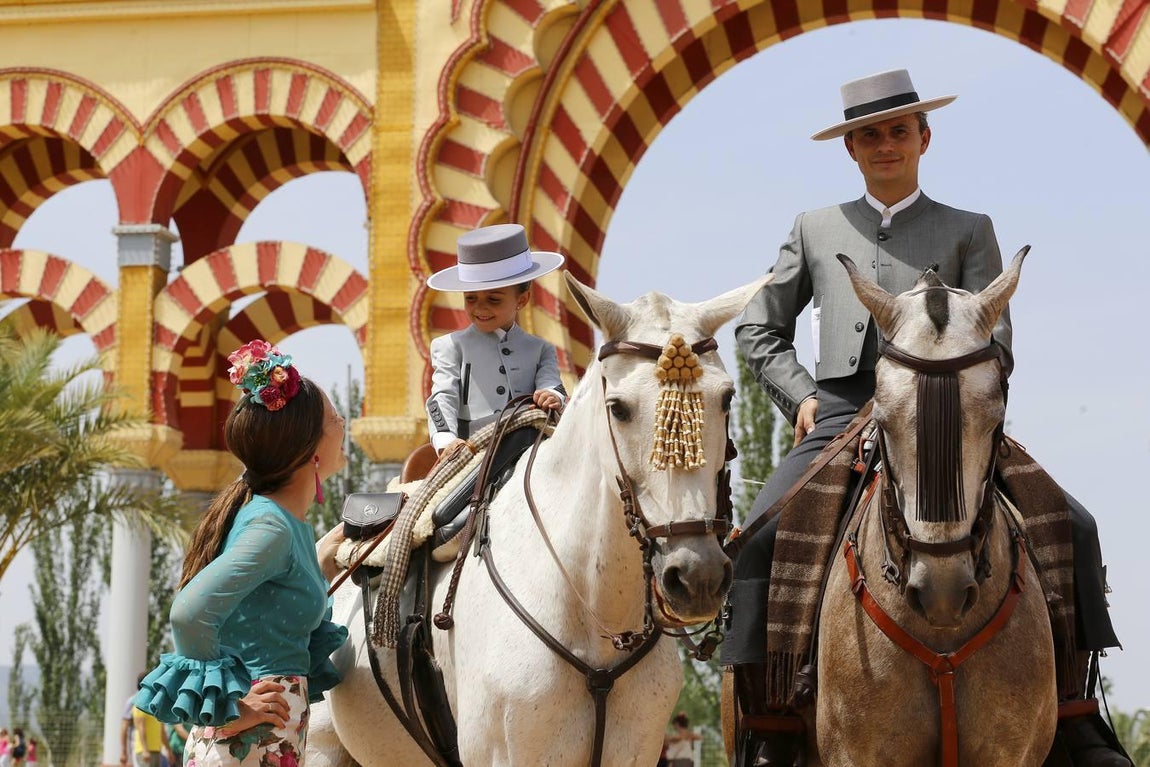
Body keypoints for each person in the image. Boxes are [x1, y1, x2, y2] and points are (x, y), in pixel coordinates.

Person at [726, 68, 1127, 767]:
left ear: (924, 137)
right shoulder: (813, 228)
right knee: (757, 540)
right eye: (870, 135)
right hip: (843, 410)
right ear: (851, 147)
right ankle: (771, 730)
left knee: (1077, 525)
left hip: (948, 413)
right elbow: (758, 332)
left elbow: (996, 341)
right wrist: (804, 396)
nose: (886, 144)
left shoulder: (971, 229)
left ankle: (1075, 716)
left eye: (899, 131)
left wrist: (963, 397)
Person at [135, 339, 350, 767]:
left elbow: (272, 614)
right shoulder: (271, 527)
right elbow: (189, 613)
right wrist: (231, 709)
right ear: (310, 451)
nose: (343, 421)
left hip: (264, 740)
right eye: (332, 417)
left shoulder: (285, 524)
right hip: (248, 744)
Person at [425, 223, 567, 458]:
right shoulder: (450, 346)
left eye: (494, 299)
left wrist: (552, 395)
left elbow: (552, 383)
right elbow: (442, 397)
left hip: (532, 442)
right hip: (472, 450)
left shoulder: (540, 349)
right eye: (471, 299)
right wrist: (446, 440)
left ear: (522, 300)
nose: (480, 307)